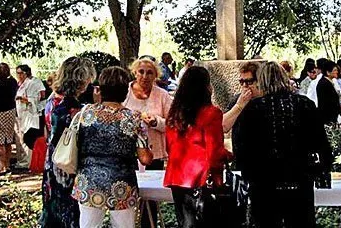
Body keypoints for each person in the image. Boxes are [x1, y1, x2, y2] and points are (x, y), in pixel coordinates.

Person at [236, 61, 332, 228]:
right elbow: (321, 144)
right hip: (299, 180)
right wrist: (319, 169)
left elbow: (242, 148)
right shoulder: (304, 104)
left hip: (264, 184)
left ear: (262, 81)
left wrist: (249, 175)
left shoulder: (253, 108)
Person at [74, 66, 153, 228]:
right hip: (122, 185)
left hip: (88, 182)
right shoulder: (134, 118)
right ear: (125, 91)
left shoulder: (85, 113)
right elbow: (145, 159)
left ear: (100, 89)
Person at [164, 66, 231, 228]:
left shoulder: (174, 114)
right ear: (206, 87)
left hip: (177, 176)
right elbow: (214, 153)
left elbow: (169, 147)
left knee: (185, 223)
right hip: (200, 178)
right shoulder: (211, 113)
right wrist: (226, 160)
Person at [39, 57, 96, 228]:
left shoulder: (52, 99)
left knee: (52, 213)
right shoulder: (73, 108)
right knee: (69, 216)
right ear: (81, 79)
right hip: (68, 168)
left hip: (52, 164)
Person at [123, 57, 172, 228]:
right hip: (128, 154)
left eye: (149, 72)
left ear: (156, 75)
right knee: (128, 196)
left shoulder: (162, 95)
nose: (144, 76)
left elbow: (173, 124)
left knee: (150, 201)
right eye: (141, 71)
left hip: (154, 155)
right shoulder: (125, 92)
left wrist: (156, 122)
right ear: (134, 72)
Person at [222, 61, 261, 151]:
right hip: (241, 156)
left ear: (259, 81)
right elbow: (224, 126)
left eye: (249, 82)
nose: (245, 86)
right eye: (242, 81)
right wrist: (239, 105)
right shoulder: (237, 99)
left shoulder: (267, 99)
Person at [15, 64, 46, 168]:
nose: (18, 75)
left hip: (31, 113)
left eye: (20, 73)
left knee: (29, 138)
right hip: (22, 113)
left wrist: (26, 100)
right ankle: (23, 161)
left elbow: (41, 96)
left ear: (26, 73)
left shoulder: (34, 82)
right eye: (17, 73)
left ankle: (29, 162)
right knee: (22, 137)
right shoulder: (21, 83)